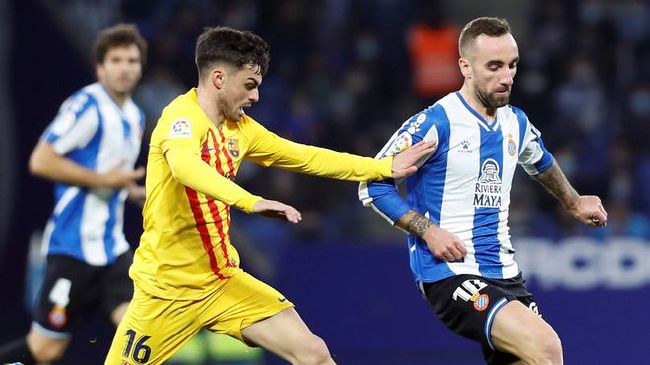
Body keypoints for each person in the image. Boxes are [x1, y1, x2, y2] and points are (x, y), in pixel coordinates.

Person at [103, 26, 434, 365]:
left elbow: (305, 156)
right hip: (165, 290)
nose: (256, 97)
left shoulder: (240, 129)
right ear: (218, 78)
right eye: (249, 85)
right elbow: (186, 167)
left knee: (314, 353)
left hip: (222, 282)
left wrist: (382, 167)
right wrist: (251, 201)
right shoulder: (180, 119)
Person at [359, 17, 608, 365]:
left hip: (506, 274)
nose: (506, 77)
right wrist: (427, 230)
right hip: (450, 273)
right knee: (547, 348)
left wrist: (573, 200)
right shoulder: (435, 123)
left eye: (512, 65)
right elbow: (372, 184)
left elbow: (540, 160)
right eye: (494, 66)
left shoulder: (515, 122)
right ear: (465, 66)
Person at [0, 24, 148, 365]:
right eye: (116, 60)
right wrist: (106, 180)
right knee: (45, 350)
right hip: (72, 248)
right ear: (100, 67)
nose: (124, 67)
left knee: (138, 333)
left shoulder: (135, 116)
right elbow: (41, 160)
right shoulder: (86, 106)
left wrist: (131, 192)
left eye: (131, 60)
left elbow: (110, 175)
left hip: (113, 250)